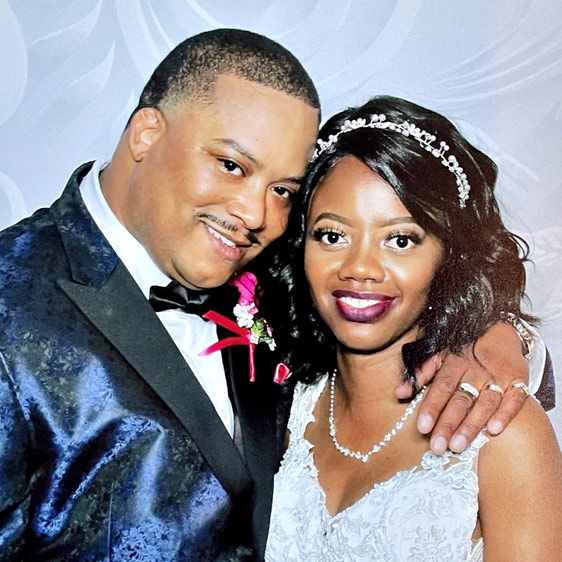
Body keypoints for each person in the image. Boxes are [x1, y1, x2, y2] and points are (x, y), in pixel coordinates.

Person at [0, 29, 547, 561]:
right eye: (231, 165)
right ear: (145, 133)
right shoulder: (12, 298)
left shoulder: (260, 286)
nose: (256, 215)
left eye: (282, 190)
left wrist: (491, 336)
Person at [265, 95, 562, 561]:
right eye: (332, 235)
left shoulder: (501, 430)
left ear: (448, 256)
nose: (359, 267)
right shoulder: (275, 402)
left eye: (400, 240)